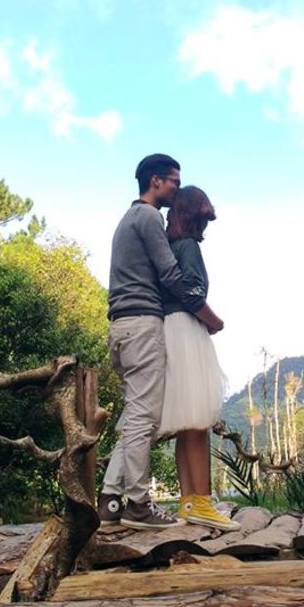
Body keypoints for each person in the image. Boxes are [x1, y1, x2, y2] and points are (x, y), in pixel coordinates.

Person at [98, 154, 224, 530]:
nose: (175, 189)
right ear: (156, 181)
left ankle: (109, 501)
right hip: (141, 322)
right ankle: (138, 504)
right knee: (144, 418)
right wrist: (207, 315)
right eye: (173, 181)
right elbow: (170, 275)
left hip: (122, 325)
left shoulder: (127, 219)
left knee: (136, 414)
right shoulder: (149, 217)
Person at [159, 186, 240, 532]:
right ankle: (204, 503)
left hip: (167, 329)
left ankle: (188, 501)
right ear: (194, 216)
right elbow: (192, 294)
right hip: (187, 331)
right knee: (198, 421)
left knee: (185, 424)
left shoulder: (166, 248)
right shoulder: (189, 246)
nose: (205, 226)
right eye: (204, 218)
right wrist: (215, 322)